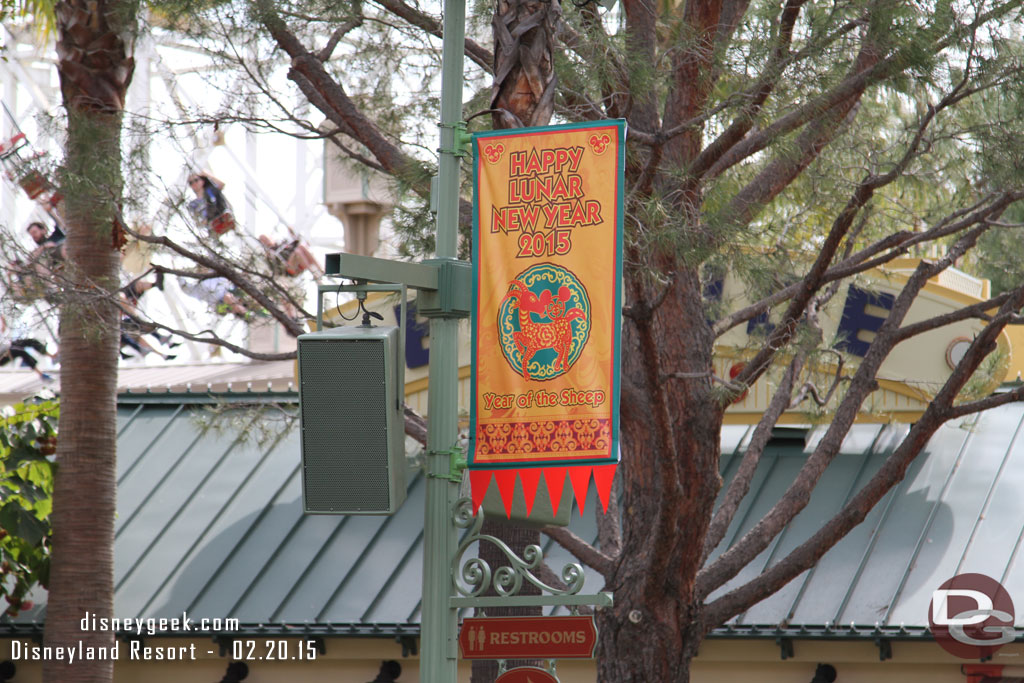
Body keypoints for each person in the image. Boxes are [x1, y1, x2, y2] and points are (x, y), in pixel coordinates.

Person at [0, 317, 54, 382]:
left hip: (8, 347)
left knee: (30, 341)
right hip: (2, 356)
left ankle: (51, 355)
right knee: (21, 352)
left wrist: (2, 318)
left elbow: (3, 329)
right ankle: (41, 374)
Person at [258, 234, 323, 279]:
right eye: (263, 241)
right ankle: (314, 272)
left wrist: (293, 236)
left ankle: (320, 268)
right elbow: (276, 271)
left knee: (301, 247)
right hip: (289, 268)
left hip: (299, 260)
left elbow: (295, 245)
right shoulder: (269, 256)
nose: (266, 241)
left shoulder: (281, 243)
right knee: (297, 252)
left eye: (266, 239)